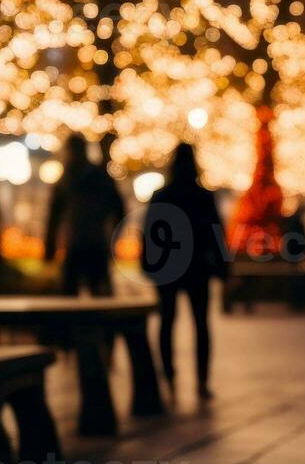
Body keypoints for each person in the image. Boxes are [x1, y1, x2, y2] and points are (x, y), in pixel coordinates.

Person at [142, 143, 224, 400]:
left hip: (168, 266)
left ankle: (168, 373)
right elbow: (216, 233)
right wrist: (223, 267)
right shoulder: (203, 197)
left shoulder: (161, 196)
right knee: (201, 323)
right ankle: (202, 381)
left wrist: (149, 262)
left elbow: (150, 232)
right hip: (198, 266)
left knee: (167, 321)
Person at [44, 135, 125, 296]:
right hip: (96, 242)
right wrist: (113, 236)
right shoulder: (100, 176)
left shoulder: (66, 178)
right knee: (101, 298)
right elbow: (118, 207)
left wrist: (49, 247)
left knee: (69, 296)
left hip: (76, 243)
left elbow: (54, 215)